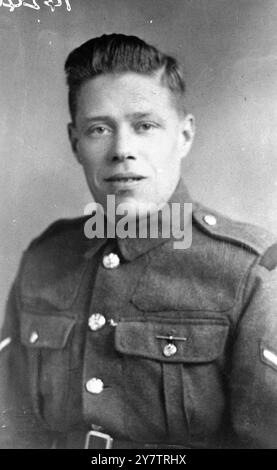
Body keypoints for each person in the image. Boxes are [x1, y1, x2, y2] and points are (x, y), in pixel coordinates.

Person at [1, 33, 277, 449]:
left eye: (144, 125)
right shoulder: (45, 257)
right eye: (99, 129)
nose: (122, 150)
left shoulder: (249, 271)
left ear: (183, 136)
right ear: (76, 143)